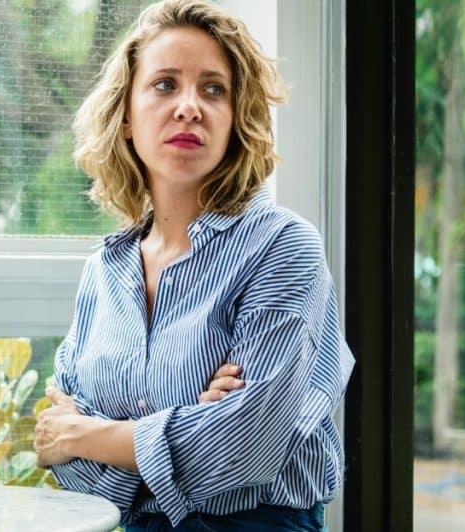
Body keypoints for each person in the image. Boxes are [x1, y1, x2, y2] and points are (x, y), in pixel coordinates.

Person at [32, 1, 354, 530]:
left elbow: (247, 446)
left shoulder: (283, 246)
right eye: (164, 85)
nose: (189, 107)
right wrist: (192, 427)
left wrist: (93, 434)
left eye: (213, 89)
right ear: (128, 118)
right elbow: (68, 468)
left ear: (235, 119)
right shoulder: (103, 270)